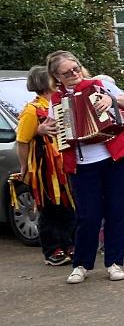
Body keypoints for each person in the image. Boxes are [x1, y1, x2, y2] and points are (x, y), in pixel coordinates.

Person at [40, 51, 124, 284]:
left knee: (117, 212)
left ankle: (115, 263)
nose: (74, 74)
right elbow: (50, 127)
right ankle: (81, 264)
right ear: (57, 77)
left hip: (116, 158)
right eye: (67, 72)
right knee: (88, 216)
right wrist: (43, 130)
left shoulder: (101, 84)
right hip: (83, 163)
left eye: (76, 68)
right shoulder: (56, 101)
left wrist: (112, 99)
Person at [13, 65, 75, 266]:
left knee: (68, 207)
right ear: (44, 83)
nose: (58, 81)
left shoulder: (60, 105)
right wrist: (24, 168)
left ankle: (68, 245)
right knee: (49, 208)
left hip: (65, 165)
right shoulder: (32, 111)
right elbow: (22, 141)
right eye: (53, 78)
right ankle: (52, 250)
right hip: (45, 169)